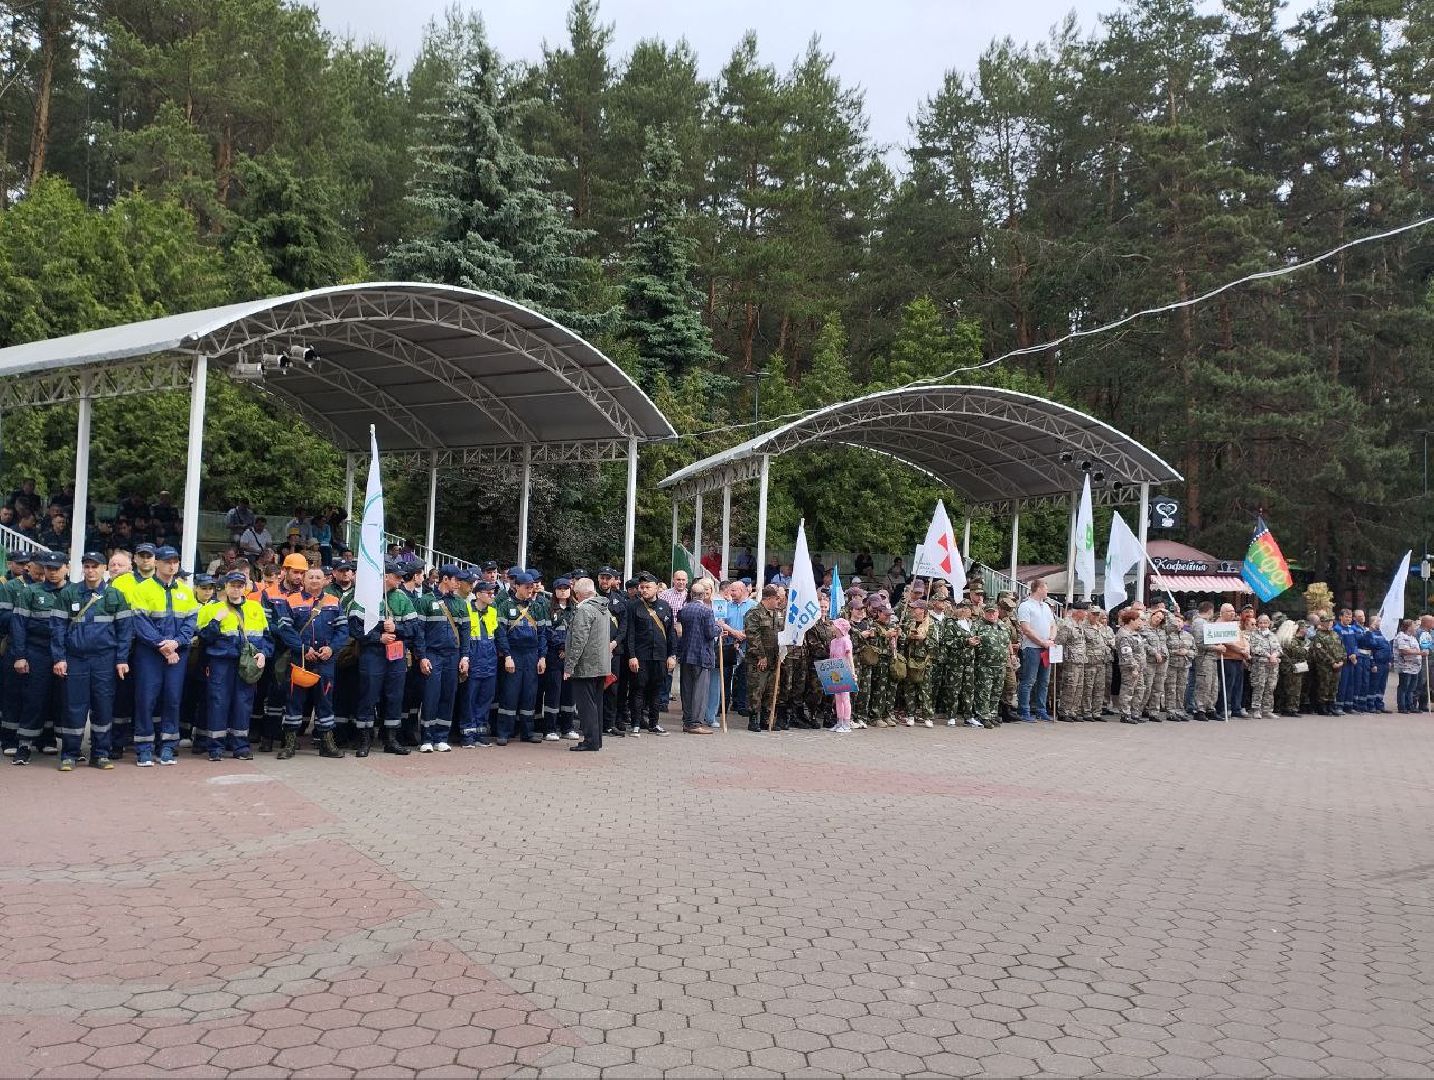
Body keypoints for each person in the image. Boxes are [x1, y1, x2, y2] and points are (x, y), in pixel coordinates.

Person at [56, 552, 133, 771]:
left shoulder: (115, 595)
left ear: (104, 569)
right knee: (74, 706)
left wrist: (121, 659)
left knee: (103, 706)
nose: (91, 571)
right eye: (87, 566)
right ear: (82, 568)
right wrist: (59, 657)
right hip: (75, 658)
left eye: (95, 566)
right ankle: (69, 754)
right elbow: (58, 628)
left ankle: (101, 754)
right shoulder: (69, 593)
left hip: (104, 660)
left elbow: (125, 631)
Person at [129, 546, 200, 765]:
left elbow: (191, 622)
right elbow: (140, 622)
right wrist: (163, 645)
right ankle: (144, 747)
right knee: (146, 699)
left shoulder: (186, 592)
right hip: (150, 653)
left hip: (177, 652)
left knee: (172, 699)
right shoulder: (143, 589)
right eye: (167, 562)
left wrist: (176, 643)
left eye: (175, 562)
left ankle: (168, 746)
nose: (172, 566)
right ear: (157, 563)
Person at [197, 571, 272, 760]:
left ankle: (240, 746)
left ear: (245, 587)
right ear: (225, 587)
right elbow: (204, 638)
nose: (236, 589)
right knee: (218, 702)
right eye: (233, 585)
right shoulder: (212, 609)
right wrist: (216, 621)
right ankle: (215, 747)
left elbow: (267, 638)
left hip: (246, 665)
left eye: (240, 585)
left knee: (243, 704)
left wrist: (264, 653)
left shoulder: (256, 608)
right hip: (221, 662)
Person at [277, 566, 349, 759]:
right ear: (304, 580)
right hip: (299, 660)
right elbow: (285, 630)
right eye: (311, 577)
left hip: (325, 661)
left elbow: (343, 631)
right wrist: (303, 649)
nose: (315, 580)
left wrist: (331, 649)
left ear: (325, 580)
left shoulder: (334, 602)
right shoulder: (290, 601)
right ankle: (289, 744)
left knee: (325, 702)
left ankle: (327, 744)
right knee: (293, 701)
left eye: (319, 577)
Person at [10, 551, 70, 765]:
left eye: (57, 568)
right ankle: (24, 746)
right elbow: (18, 626)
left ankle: (67, 747)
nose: (52, 573)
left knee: (64, 700)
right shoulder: (31, 592)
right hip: (38, 652)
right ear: (43, 569)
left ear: (66, 568)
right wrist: (20, 656)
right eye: (49, 569)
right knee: (34, 698)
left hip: (65, 653)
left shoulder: (75, 592)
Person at [412, 566, 469, 753]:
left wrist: (465, 657)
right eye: (455, 580)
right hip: (433, 654)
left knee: (448, 695)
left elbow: (465, 633)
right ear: (445, 578)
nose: (458, 583)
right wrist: (422, 656)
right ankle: (426, 738)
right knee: (431, 696)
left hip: (453, 655)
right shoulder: (426, 600)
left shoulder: (460, 603)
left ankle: (441, 737)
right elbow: (419, 631)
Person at [496, 571, 548, 745]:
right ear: (516, 586)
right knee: (509, 693)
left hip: (532, 654)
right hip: (514, 653)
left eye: (532, 587)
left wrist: (542, 657)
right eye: (526, 587)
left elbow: (542, 634)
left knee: (530, 694)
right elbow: (501, 634)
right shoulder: (504, 606)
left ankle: (527, 731)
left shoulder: (537, 607)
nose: (530, 590)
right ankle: (504, 732)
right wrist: (507, 656)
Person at [626, 571, 676, 736]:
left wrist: (672, 655)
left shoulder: (665, 606)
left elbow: (671, 634)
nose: (644, 590)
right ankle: (636, 724)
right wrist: (632, 655)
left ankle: (654, 723)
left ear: (656, 588)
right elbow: (630, 634)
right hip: (641, 656)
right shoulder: (633, 606)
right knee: (638, 690)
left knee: (656, 690)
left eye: (647, 587)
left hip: (660, 656)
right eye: (642, 587)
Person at [563, 578, 610, 751]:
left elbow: (579, 640)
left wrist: (569, 666)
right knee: (596, 704)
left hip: (585, 666)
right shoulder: (603, 608)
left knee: (586, 706)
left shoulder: (584, 610)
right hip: (600, 665)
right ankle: (596, 740)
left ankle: (590, 741)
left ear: (579, 594)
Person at [461, 577, 501, 747]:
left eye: (494, 592)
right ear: (478, 594)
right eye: (489, 592)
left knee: (485, 698)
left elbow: (496, 635)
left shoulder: (492, 611)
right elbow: (465, 638)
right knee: (469, 698)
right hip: (474, 658)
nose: (492, 595)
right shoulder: (467, 610)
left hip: (489, 660)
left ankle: (480, 733)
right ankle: (467, 734)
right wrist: (466, 658)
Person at [676, 578, 718, 734]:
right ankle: (695, 723)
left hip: (686, 654)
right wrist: (719, 629)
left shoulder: (684, 609)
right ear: (702, 595)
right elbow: (710, 633)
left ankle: (687, 721)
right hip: (702, 656)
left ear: (691, 594)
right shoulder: (707, 611)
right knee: (700, 691)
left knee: (686, 690)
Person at [539, 578, 579, 740]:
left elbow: (579, 631)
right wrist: (561, 647)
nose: (563, 591)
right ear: (554, 590)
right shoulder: (548, 608)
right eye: (559, 588)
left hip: (570, 658)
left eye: (566, 588)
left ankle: (567, 727)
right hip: (554, 656)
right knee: (553, 692)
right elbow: (547, 631)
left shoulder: (575, 609)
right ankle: (550, 728)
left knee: (569, 694)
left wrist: (568, 649)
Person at [743, 584, 782, 731]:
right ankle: (753, 720)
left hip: (774, 658)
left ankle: (766, 720)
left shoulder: (776, 613)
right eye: (776, 598)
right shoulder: (754, 613)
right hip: (758, 660)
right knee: (756, 690)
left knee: (771, 691)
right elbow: (753, 636)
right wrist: (761, 656)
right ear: (769, 598)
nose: (778, 601)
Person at [1016, 578, 1055, 722]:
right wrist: (1041, 642)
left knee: (1044, 681)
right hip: (1032, 648)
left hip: (1045, 648)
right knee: (1029, 680)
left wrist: (1050, 639)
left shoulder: (1045, 607)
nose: (1047, 591)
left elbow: (1053, 625)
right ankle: (1024, 710)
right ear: (1038, 589)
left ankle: (1041, 709)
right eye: (1045, 588)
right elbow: (1026, 629)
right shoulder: (1026, 606)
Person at [898, 599, 936, 728]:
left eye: (916, 608)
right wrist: (908, 637)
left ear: (922, 610)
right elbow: (902, 640)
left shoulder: (931, 624)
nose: (913, 610)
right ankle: (910, 715)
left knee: (925, 690)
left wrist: (924, 638)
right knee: (910, 689)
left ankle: (927, 716)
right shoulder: (909, 622)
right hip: (910, 659)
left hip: (925, 662)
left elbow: (935, 644)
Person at [972, 602, 1009, 728]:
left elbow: (1007, 642)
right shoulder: (978, 625)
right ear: (984, 613)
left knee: (996, 691)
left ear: (998, 613)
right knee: (984, 691)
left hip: (1000, 665)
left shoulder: (1003, 626)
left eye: (994, 612)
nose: (992, 615)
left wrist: (1011, 656)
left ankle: (993, 714)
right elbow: (972, 642)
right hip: (984, 665)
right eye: (989, 612)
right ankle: (983, 715)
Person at [1053, 601, 1088, 723]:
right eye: (1085, 611)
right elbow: (1058, 642)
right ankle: (1064, 711)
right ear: (1078, 612)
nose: (1086, 614)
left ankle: (1073, 711)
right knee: (1070, 687)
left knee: (1079, 687)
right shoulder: (1067, 625)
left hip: (1080, 660)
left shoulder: (1080, 624)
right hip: (1070, 661)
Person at [1114, 608, 1147, 723]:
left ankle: (1135, 713)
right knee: (1128, 690)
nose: (1140, 622)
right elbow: (1126, 654)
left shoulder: (1135, 633)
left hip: (1139, 668)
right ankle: (1125, 714)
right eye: (1138, 619)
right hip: (1130, 668)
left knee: (1139, 690)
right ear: (1131, 620)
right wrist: (1133, 668)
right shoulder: (1124, 635)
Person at [1246, 613, 1281, 719]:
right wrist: (1269, 656)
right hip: (1260, 665)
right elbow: (1256, 648)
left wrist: (1274, 655)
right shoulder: (1254, 635)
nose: (1263, 625)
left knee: (1270, 687)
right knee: (1259, 686)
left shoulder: (1273, 635)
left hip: (1273, 665)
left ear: (1269, 623)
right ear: (1258, 623)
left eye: (1265, 623)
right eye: (1261, 623)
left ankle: (1267, 710)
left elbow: (1279, 649)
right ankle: (1256, 709)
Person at [1309, 613, 1345, 715]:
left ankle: (1331, 705)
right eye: (1328, 622)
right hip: (1325, 666)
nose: (1330, 623)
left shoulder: (1335, 634)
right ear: (1322, 623)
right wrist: (1332, 662)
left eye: (1331, 621)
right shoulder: (1319, 636)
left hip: (1338, 665)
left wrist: (1342, 660)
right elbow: (1320, 651)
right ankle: (1322, 706)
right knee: (1324, 686)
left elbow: (1342, 647)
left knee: (1334, 686)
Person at [1140, 608, 1169, 722]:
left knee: (1158, 688)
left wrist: (1166, 612)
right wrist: (1154, 652)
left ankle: (1154, 712)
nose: (1158, 620)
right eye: (1157, 617)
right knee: (1147, 687)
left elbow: (1173, 624)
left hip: (1162, 662)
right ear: (1151, 615)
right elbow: (1143, 643)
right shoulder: (1144, 629)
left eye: (1161, 619)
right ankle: (1138, 710)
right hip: (1150, 661)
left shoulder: (1162, 630)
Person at [1394, 618, 1423, 713]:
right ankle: (1402, 706)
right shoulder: (1401, 636)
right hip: (1405, 667)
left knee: (1412, 688)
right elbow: (1404, 651)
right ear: (1409, 626)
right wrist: (1420, 653)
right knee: (1404, 686)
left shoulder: (1413, 637)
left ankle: (1410, 705)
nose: (1416, 627)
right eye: (1414, 625)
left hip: (1415, 667)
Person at [1363, 615, 1391, 713]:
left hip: (1385, 664)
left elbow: (1388, 648)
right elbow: (1370, 649)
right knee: (1374, 685)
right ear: (1373, 623)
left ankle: (1379, 704)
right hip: (1377, 663)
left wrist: (1389, 661)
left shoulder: (1384, 633)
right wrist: (1373, 664)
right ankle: (1371, 705)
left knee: (1382, 685)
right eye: (1379, 621)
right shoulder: (1370, 634)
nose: (1381, 623)